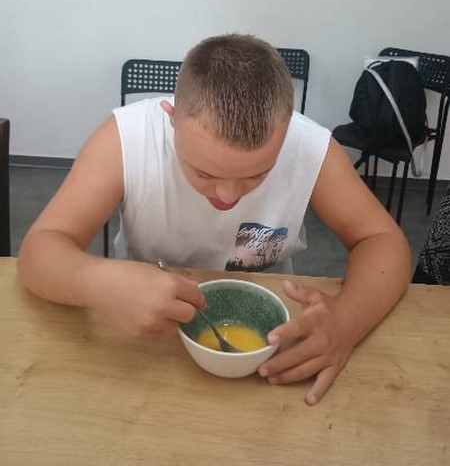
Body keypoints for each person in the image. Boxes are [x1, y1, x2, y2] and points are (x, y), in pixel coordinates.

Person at [18, 34, 411, 406]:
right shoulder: (128, 138)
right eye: (204, 173)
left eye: (257, 174)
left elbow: (383, 240)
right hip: (143, 340)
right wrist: (99, 283)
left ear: (286, 132)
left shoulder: (310, 147)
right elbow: (40, 250)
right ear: (171, 119)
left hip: (267, 346)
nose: (228, 195)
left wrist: (348, 320)